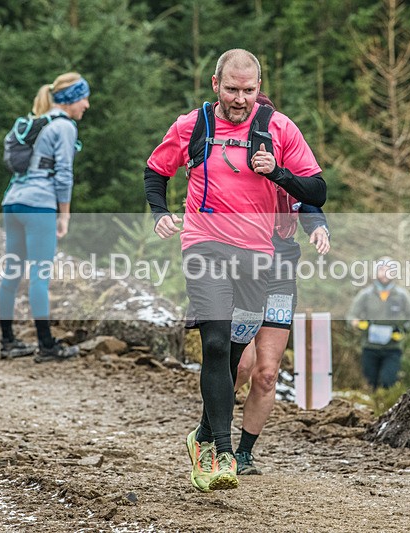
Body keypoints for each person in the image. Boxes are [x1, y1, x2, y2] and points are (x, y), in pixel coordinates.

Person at [144, 49, 326, 492]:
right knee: (216, 343)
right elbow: (155, 171)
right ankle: (221, 452)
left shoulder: (279, 129)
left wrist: (277, 173)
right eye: (231, 89)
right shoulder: (193, 126)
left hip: (259, 257)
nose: (240, 99)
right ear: (214, 85)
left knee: (237, 357)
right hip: (205, 245)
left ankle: (204, 433)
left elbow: (317, 190)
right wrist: (159, 212)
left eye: (248, 91)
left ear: (259, 89)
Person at [231, 92, 331, 476]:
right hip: (241, 267)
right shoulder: (233, 161)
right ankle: (212, 433)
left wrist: (318, 227)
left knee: (267, 371)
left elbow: (309, 198)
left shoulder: (286, 158)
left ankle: (244, 453)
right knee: (240, 366)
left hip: (281, 268)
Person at [0, 72, 89, 364]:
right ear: (71, 99)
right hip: (39, 206)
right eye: (83, 98)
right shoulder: (63, 127)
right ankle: (47, 345)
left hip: (13, 201)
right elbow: (64, 174)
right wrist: (65, 215)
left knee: (11, 271)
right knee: (39, 274)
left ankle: (8, 341)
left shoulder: (37, 122)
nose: (86, 105)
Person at [345, 256, 410, 389]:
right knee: (370, 382)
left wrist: (403, 330)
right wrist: (359, 324)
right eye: (382, 269)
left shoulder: (402, 295)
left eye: (389, 270)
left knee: (388, 382)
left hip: (392, 348)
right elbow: (351, 316)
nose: (385, 273)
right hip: (370, 347)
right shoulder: (365, 294)